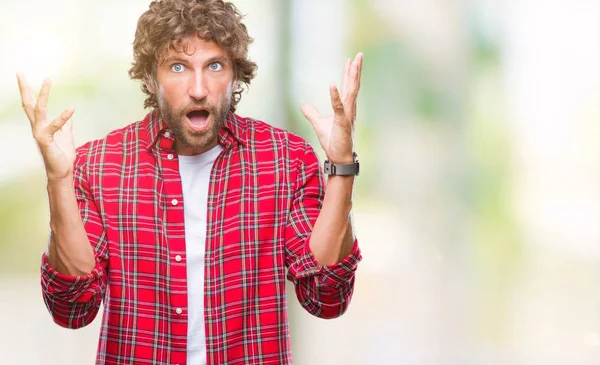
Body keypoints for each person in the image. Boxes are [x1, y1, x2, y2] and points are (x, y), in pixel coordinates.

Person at [17, 0, 363, 364]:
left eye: (214, 66)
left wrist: (341, 165)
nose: (199, 89)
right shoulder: (100, 165)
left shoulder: (285, 160)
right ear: (151, 77)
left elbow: (326, 297)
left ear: (234, 74)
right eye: (178, 67)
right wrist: (58, 179)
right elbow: (72, 309)